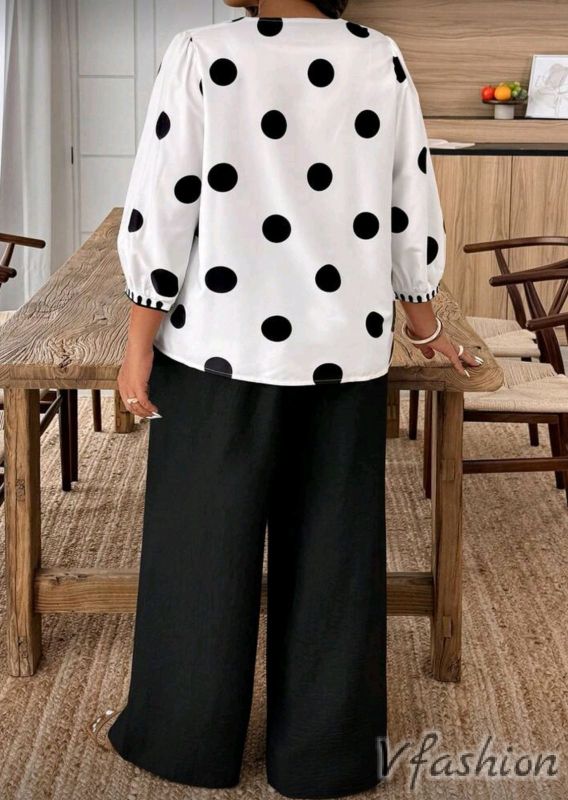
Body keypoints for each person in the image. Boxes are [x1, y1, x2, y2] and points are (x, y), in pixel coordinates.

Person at [89, 0, 482, 797]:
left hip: (218, 348)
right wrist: (425, 323)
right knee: (335, 560)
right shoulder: (379, 56)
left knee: (200, 551)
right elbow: (409, 204)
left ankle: (183, 741)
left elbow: (166, 202)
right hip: (344, 351)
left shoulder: (202, 52)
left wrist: (137, 343)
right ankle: (326, 757)